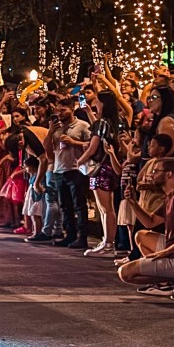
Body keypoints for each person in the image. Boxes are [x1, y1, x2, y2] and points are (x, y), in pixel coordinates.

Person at [117, 158, 174, 300]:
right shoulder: (172, 196)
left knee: (125, 273)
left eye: (155, 171)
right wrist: (133, 203)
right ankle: (170, 282)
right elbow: (150, 222)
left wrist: (165, 252)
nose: (151, 175)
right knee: (141, 236)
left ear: (169, 174)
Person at [78, 89, 123, 256]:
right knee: (106, 208)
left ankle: (108, 244)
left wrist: (80, 161)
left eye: (97, 100)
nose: (94, 103)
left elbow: (92, 147)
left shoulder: (103, 123)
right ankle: (107, 241)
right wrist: (89, 113)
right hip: (108, 166)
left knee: (106, 209)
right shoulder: (110, 122)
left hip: (100, 167)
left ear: (103, 103)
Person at [48, 97, 91, 249]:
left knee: (79, 205)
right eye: (58, 110)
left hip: (76, 169)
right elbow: (48, 151)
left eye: (63, 110)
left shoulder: (83, 125)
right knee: (65, 206)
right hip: (60, 169)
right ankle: (70, 235)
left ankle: (82, 237)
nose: (60, 113)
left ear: (72, 109)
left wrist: (74, 143)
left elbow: (91, 145)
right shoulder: (57, 127)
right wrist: (50, 132)